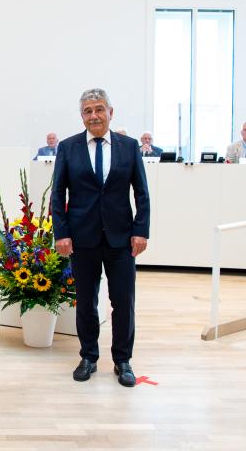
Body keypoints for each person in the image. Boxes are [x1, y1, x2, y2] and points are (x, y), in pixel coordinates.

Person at [51, 88, 150, 388]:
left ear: (110, 112)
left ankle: (123, 360)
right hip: (83, 238)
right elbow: (58, 194)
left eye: (99, 109)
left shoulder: (129, 146)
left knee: (123, 301)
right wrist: (62, 233)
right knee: (86, 302)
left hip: (122, 238)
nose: (93, 115)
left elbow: (141, 193)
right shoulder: (68, 148)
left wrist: (141, 230)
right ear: (81, 116)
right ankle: (89, 357)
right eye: (87, 111)